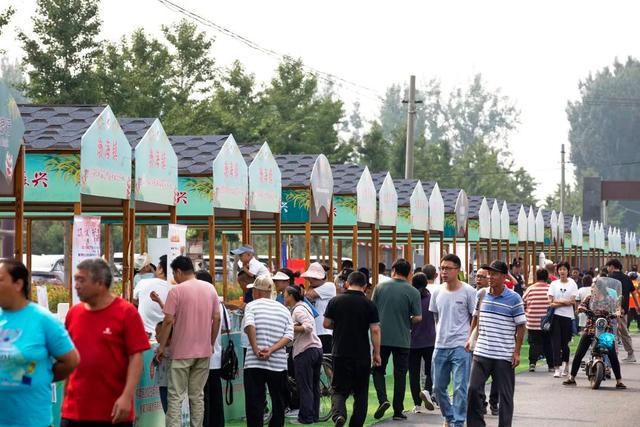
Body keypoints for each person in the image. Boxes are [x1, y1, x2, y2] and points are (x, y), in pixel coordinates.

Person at [62, 258, 150, 426]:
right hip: (74, 411)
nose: (76, 285)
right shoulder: (74, 313)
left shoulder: (126, 312)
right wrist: (65, 399)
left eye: (82, 280)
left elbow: (136, 358)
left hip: (114, 411)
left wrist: (127, 396)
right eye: (76, 280)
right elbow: (70, 357)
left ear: (100, 283)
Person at [0, 259, 80, 427]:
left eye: (0, 279)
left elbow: (71, 361)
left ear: (18, 284)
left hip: (33, 420)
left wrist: (41, 376)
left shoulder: (43, 320)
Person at [156, 256, 220, 427]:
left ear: (178, 271)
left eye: (174, 274)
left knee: (175, 397)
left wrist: (161, 347)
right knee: (197, 396)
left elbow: (168, 321)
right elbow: (217, 318)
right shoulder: (210, 289)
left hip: (180, 352)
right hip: (203, 352)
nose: (174, 278)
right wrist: (210, 342)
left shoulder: (176, 291)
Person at [466, 260, 526, 427]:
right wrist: (470, 338)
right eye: (489, 274)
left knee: (505, 396)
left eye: (494, 274)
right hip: (481, 352)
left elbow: (521, 326)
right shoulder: (481, 294)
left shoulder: (514, 298)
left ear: (504, 276)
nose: (490, 277)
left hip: (503, 355)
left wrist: (516, 352)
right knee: (473, 389)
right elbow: (475, 318)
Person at [324, 271, 381, 427]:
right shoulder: (369, 304)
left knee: (338, 389)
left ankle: (339, 415)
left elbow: (326, 323)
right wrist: (377, 353)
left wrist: (340, 325)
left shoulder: (335, 301)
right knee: (361, 393)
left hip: (340, 352)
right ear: (365, 286)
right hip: (362, 354)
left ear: (347, 284)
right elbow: (375, 330)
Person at [372, 258, 422, 421]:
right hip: (403, 339)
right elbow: (418, 317)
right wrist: (408, 319)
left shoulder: (379, 287)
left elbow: (372, 312)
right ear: (409, 273)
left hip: (381, 338)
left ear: (393, 270)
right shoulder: (413, 291)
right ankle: (398, 411)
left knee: (378, 370)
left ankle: (383, 399)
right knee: (400, 375)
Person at [429, 254, 476, 427]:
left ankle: (458, 422)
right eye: (442, 268)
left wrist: (470, 339)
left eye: (448, 268)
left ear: (458, 270)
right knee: (437, 388)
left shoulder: (469, 291)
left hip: (461, 346)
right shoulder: (437, 291)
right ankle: (449, 416)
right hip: (440, 345)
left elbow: (475, 318)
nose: (444, 272)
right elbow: (436, 317)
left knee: (459, 388)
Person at [242, 275, 294, 427]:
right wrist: (271, 350)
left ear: (257, 291)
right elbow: (289, 336)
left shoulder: (251, 306)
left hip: (254, 362)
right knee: (278, 401)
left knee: (254, 402)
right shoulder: (283, 309)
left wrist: (255, 348)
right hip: (278, 363)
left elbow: (250, 326)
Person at [563, 278, 627, 388]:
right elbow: (581, 305)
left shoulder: (609, 299)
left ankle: (619, 381)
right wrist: (582, 308)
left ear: (600, 288)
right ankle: (572, 378)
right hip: (590, 329)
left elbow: (617, 309)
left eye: (594, 286)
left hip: (606, 331)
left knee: (612, 355)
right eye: (592, 287)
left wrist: (618, 312)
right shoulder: (589, 298)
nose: (592, 289)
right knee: (579, 353)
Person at [285, 285, 323, 424]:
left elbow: (307, 327)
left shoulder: (298, 309)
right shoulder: (304, 306)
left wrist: (290, 327)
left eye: (285, 295)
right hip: (316, 349)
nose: (284, 297)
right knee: (313, 385)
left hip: (305, 351)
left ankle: (305, 417)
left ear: (291, 296)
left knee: (305, 386)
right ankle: (314, 416)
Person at [196, 270, 229, 427]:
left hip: (202, 356)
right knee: (215, 396)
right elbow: (225, 327)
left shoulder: (201, 303)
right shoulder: (220, 304)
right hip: (215, 357)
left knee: (203, 397)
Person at [408, 273, 436, 414]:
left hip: (412, 341)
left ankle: (417, 404)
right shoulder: (432, 299)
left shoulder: (410, 299)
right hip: (430, 340)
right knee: (431, 370)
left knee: (413, 373)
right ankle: (427, 390)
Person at [472, 267, 499, 415]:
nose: (479, 279)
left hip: (497, 342)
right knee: (478, 377)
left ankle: (494, 402)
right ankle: (481, 402)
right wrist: (471, 337)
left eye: (482, 276)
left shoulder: (499, 294)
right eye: (477, 276)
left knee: (497, 376)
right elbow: (474, 317)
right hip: (480, 341)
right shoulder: (477, 294)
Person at [547, 261, 578, 377]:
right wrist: (565, 302)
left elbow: (573, 301)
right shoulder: (554, 284)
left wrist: (558, 302)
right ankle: (557, 368)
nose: (562, 271)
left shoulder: (572, 283)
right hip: (555, 317)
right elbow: (550, 302)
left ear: (568, 271)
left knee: (565, 343)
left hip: (568, 317)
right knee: (555, 343)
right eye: (560, 269)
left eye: (564, 269)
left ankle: (566, 364)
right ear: (557, 271)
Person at [606, 258, 639, 362]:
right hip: (623, 309)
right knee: (624, 331)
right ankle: (631, 354)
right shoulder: (627, 278)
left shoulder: (609, 278)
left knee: (610, 331)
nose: (607, 269)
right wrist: (637, 306)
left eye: (608, 267)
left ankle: (612, 355)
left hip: (610, 309)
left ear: (612, 266)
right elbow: (634, 293)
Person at [522, 269, 554, 372]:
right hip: (547, 322)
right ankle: (551, 365)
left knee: (534, 344)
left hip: (532, 321)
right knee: (548, 344)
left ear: (536, 277)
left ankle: (532, 363)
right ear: (547, 277)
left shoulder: (530, 289)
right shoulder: (550, 289)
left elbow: (523, 304)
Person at [302, 262, 336, 354]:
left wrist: (309, 288)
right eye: (310, 278)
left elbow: (308, 295)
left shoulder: (329, 286)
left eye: (314, 278)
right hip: (313, 332)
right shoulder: (312, 287)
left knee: (326, 359)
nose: (310, 280)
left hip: (325, 332)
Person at [133, 254, 169, 340]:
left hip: (144, 335)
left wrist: (143, 302)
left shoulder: (143, 283)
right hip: (166, 337)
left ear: (161, 270)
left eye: (158, 267)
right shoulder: (176, 289)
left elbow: (132, 300)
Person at [150, 320, 171, 414]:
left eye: (157, 333)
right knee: (165, 407)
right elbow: (155, 361)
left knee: (172, 407)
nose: (155, 336)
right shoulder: (158, 348)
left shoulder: (174, 348)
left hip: (173, 384)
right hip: (162, 384)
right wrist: (152, 366)